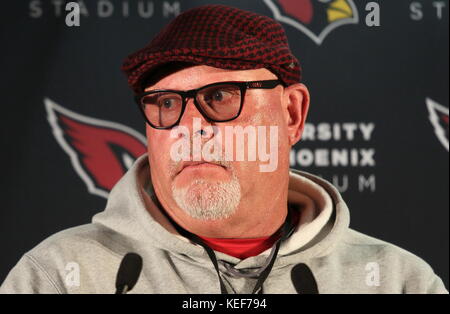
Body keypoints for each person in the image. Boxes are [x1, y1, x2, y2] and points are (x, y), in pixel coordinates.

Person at [0, 4, 447, 294]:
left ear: (291, 114)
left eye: (220, 97)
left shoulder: (397, 282)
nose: (190, 128)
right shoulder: (56, 277)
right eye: (168, 103)